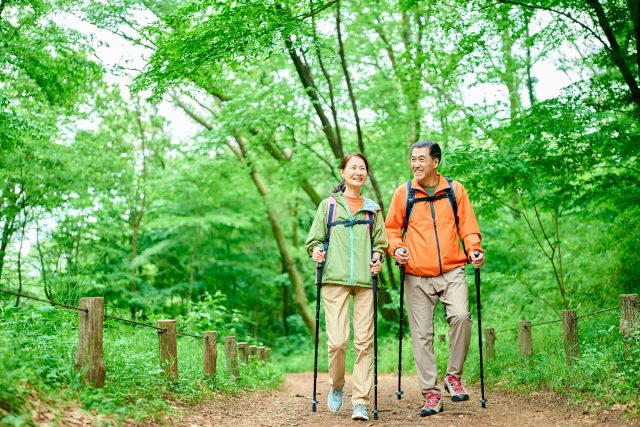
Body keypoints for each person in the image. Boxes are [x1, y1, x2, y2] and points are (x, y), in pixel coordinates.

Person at [385, 141, 485, 417]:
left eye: (421, 159)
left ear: (435, 161)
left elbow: (468, 227)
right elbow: (391, 230)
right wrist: (397, 249)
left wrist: (474, 249)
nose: (415, 164)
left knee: (462, 317)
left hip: (452, 269)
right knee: (422, 336)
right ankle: (431, 394)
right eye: (412, 159)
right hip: (416, 274)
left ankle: (453, 377)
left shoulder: (454, 190)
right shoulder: (404, 193)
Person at [305, 153, 388, 421]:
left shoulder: (373, 209)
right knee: (338, 342)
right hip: (334, 278)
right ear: (342, 172)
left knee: (364, 343)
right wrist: (316, 250)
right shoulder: (328, 206)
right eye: (353, 167)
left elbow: (380, 243)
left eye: (362, 168)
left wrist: (378, 257)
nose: (358, 172)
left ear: (366, 174)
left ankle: (360, 401)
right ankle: (337, 384)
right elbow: (313, 240)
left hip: (365, 280)